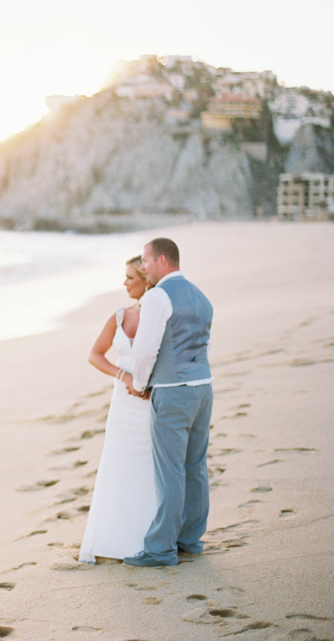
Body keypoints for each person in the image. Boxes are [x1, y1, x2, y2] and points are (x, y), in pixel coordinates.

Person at [121, 238, 213, 567]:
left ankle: (160, 549)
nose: (142, 268)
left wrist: (141, 383)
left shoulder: (159, 296)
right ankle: (190, 540)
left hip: (173, 391)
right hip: (203, 389)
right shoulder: (201, 296)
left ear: (161, 260)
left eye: (145, 261)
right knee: (195, 467)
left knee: (170, 471)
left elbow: (146, 349)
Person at [78, 256, 157, 564]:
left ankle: (149, 539)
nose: (124, 284)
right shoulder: (120, 315)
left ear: (146, 280)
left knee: (149, 471)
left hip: (152, 404)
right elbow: (94, 354)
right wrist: (122, 375)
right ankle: (114, 539)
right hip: (123, 406)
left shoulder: (162, 314)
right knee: (118, 467)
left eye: (130, 278)